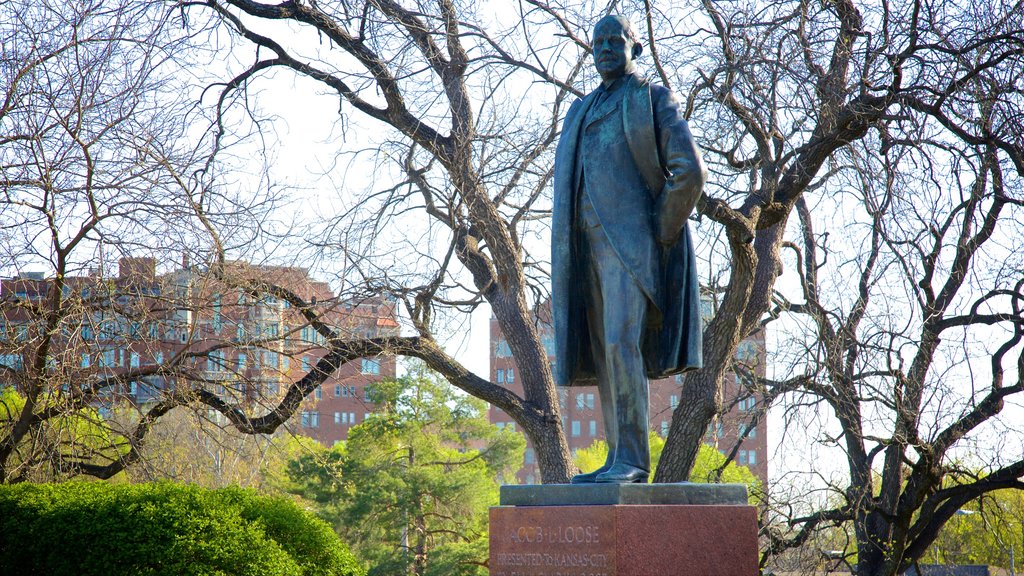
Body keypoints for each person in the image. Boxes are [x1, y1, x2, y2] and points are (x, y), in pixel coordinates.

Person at [550, 15, 706, 484]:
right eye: (597, 42)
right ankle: (618, 456)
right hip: (583, 248)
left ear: (633, 47)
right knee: (604, 353)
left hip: (630, 246)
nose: (604, 48)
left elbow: (689, 171)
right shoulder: (579, 110)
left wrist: (659, 231)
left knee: (622, 343)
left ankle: (633, 462)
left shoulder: (651, 99)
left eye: (614, 40)